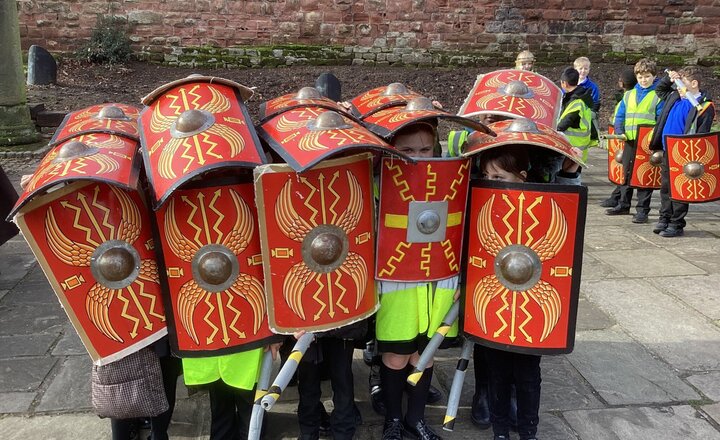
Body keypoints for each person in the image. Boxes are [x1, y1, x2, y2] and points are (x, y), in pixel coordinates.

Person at [477, 143, 580, 440]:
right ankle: (499, 431)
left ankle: (527, 431)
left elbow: (564, 212)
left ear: (521, 176)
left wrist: (570, 175)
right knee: (495, 370)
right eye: (486, 176)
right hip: (495, 296)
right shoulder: (483, 205)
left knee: (527, 374)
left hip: (529, 302)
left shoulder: (540, 203)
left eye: (500, 179)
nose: (491, 183)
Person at [378, 122, 458, 440]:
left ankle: (416, 418)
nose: (418, 156)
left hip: (437, 280)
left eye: (425, 149)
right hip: (397, 279)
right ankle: (394, 419)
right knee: (397, 354)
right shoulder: (380, 179)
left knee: (424, 354)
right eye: (408, 149)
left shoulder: (450, 180)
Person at [649, 66, 716, 237]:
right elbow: (660, 89)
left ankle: (676, 223)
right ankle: (664, 218)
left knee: (680, 189)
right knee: (665, 188)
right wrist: (670, 78)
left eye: (682, 83)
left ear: (694, 83)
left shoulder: (704, 106)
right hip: (667, 150)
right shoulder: (675, 97)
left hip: (684, 155)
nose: (679, 87)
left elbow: (702, 134)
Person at [605, 58, 662, 224]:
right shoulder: (629, 94)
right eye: (640, 77)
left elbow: (660, 120)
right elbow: (620, 115)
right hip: (629, 140)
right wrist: (619, 131)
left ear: (654, 76)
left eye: (647, 76)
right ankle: (623, 204)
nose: (643, 80)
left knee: (644, 177)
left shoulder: (658, 95)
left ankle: (642, 211)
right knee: (626, 174)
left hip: (647, 143)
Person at [294, 322, 366, 440]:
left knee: (342, 379)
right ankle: (308, 432)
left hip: (342, 324)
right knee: (308, 382)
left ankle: (343, 432)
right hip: (305, 323)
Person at [600, 68, 639, 208]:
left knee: (626, 171)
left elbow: (620, 117)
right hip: (624, 135)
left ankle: (622, 200)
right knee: (623, 171)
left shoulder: (629, 97)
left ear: (622, 83)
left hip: (628, 137)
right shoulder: (628, 96)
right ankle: (616, 196)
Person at [557, 67, 594, 163]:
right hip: (580, 145)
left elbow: (565, 123)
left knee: (569, 175)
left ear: (564, 83)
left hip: (573, 146)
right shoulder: (583, 96)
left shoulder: (576, 102)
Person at [573, 57, 601, 144]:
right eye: (580, 68)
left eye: (586, 68)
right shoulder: (570, 83)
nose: (583, 71)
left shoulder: (593, 87)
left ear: (589, 69)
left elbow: (596, 103)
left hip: (586, 114)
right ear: (575, 69)